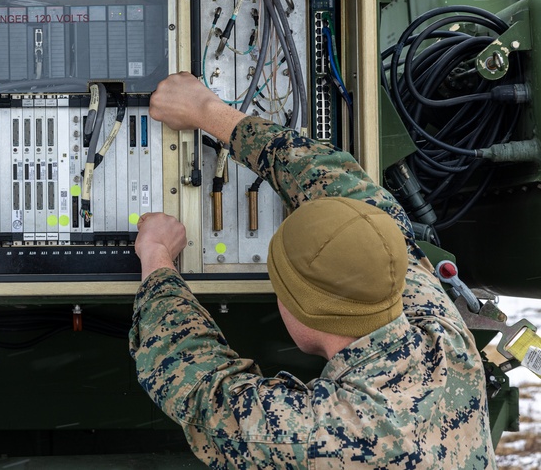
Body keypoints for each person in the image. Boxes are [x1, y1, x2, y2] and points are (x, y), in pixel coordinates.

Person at [131, 72, 496, 468]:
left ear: (299, 305)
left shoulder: (322, 438)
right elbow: (350, 194)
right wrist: (208, 111)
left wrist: (156, 255)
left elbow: (199, 387)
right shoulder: (443, 336)